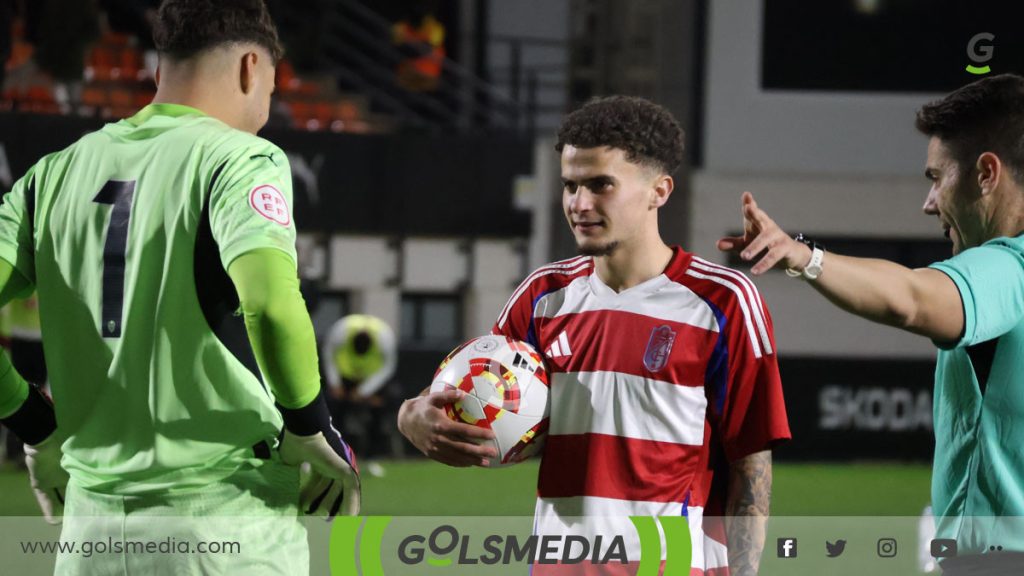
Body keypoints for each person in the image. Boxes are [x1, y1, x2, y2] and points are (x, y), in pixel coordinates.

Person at [0, 1, 359, 574]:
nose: (267, 105)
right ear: (249, 67)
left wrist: (33, 424)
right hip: (223, 528)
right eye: (271, 84)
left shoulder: (53, 173)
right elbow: (268, 303)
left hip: (89, 536)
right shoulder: (240, 158)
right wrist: (311, 427)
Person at [399, 96, 791, 575]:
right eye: (570, 186)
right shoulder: (543, 296)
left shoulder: (724, 300)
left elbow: (751, 462)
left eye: (600, 185)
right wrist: (412, 414)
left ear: (659, 191)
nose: (579, 204)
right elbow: (473, 386)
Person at [720, 73, 1024, 573]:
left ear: (987, 173)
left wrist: (804, 257)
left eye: (936, 177)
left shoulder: (1007, 267)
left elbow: (911, 298)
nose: (929, 203)